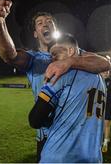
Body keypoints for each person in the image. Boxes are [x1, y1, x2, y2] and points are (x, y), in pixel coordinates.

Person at [0, 0, 111, 161]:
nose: (45, 24)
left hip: (74, 136)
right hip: (46, 137)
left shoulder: (74, 53)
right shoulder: (34, 58)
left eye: (49, 22)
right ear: (35, 33)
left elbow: (105, 62)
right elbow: (10, 56)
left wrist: (68, 61)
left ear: (55, 28)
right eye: (40, 23)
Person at [29, 33, 106, 163]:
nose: (52, 59)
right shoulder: (100, 79)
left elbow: (35, 120)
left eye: (55, 54)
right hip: (93, 157)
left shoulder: (61, 75)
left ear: (70, 51)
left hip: (60, 156)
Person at [101, 71, 111, 153]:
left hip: (108, 105)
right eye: (104, 71)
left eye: (107, 71)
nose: (106, 73)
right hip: (98, 106)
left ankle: (105, 143)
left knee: (106, 123)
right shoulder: (97, 80)